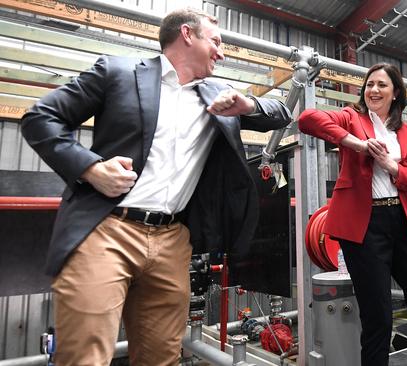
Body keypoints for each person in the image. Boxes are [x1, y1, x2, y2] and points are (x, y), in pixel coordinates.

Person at [20, 8, 291, 365]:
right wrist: (90, 168)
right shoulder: (117, 72)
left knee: (161, 358)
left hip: (172, 241)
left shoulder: (217, 94)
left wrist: (248, 103)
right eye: (217, 42)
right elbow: (41, 118)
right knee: (84, 356)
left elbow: (281, 113)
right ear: (187, 35)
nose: (222, 53)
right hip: (107, 229)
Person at [298, 63, 407, 366]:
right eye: (370, 84)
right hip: (364, 228)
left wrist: (392, 166)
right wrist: (356, 143)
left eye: (382, 85)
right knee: (377, 319)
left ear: (396, 92)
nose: (373, 90)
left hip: (403, 224)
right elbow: (308, 119)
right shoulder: (351, 117)